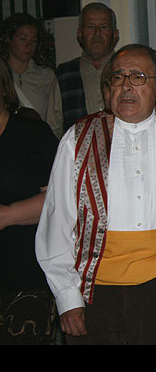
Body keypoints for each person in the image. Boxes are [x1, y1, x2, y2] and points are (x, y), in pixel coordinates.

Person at [35, 44, 156, 345]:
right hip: (94, 293)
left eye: (137, 77)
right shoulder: (78, 138)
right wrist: (66, 296)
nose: (126, 86)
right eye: (118, 77)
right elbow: (57, 222)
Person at [0, 60, 59, 344]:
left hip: (25, 277)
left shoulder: (33, 134)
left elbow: (58, 199)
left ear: (4, 87)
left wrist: (9, 215)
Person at [46, 2, 120, 138]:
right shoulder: (64, 76)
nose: (97, 33)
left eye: (103, 27)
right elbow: (53, 130)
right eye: (90, 27)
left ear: (115, 34)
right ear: (80, 34)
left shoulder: (129, 71)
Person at [1, 12, 55, 122]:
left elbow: (54, 116)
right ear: (8, 39)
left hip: (38, 131)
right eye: (22, 39)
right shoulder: (2, 74)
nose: (28, 45)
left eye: (33, 40)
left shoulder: (46, 75)